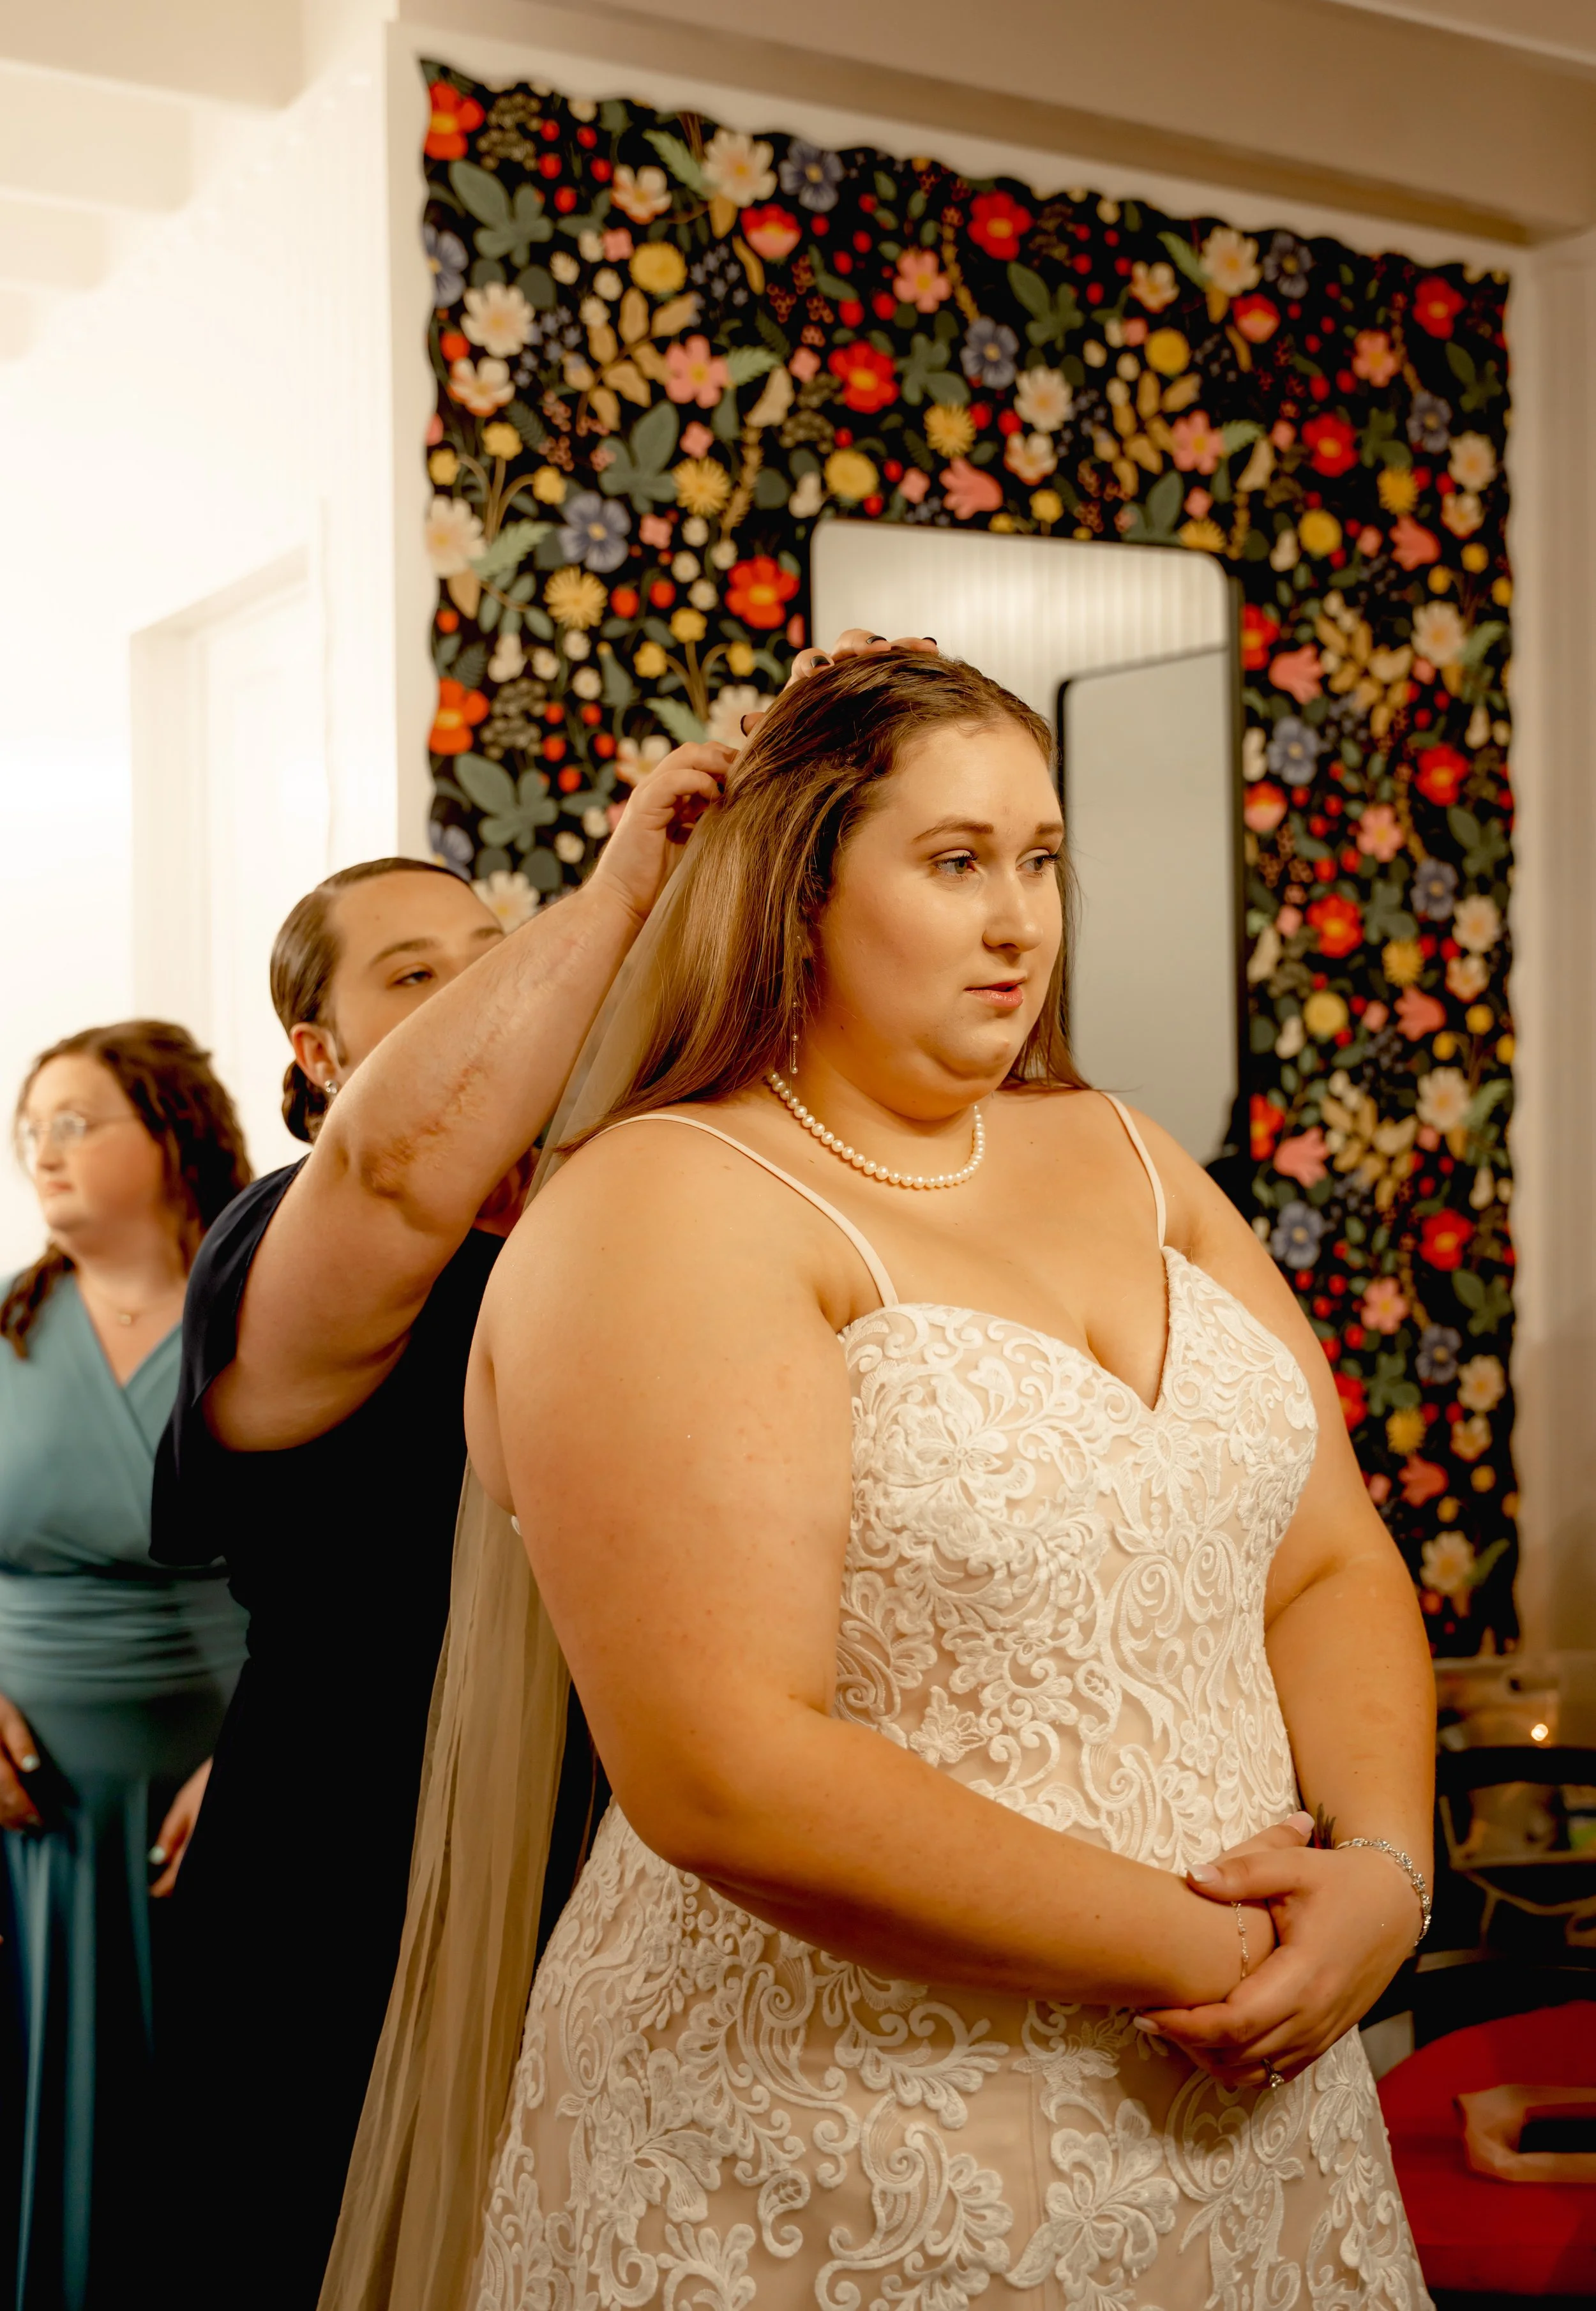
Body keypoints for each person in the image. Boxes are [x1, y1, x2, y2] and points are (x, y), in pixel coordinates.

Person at [439, 648, 1435, 2307]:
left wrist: (1386, 1875)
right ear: (802, 882)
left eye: (1040, 858)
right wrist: (1225, 1956)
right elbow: (725, 1768)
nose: (1018, 919)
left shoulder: (1124, 1148)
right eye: (956, 859)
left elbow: (1325, 1555)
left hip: (1247, 2123)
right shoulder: (665, 1205)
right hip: (827, 2157)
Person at [148, 704, 884, 2311]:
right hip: (348, 1867)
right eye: (418, 976)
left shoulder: (616, 1217)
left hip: (619, 1845)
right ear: (322, 1060)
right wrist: (622, 875)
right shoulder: (289, 1238)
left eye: (495, 948)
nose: (485, 984)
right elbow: (401, 1174)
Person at [0, 1023, 251, 2311]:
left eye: (76, 1119)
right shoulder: (3, 1327)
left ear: (170, 1135)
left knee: (214, 2096)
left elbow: (343, 1555)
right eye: (29, 1123)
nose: (40, 1147)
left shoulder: (264, 1314)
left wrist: (266, 1747)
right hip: (26, 1805)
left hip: (222, 1778)